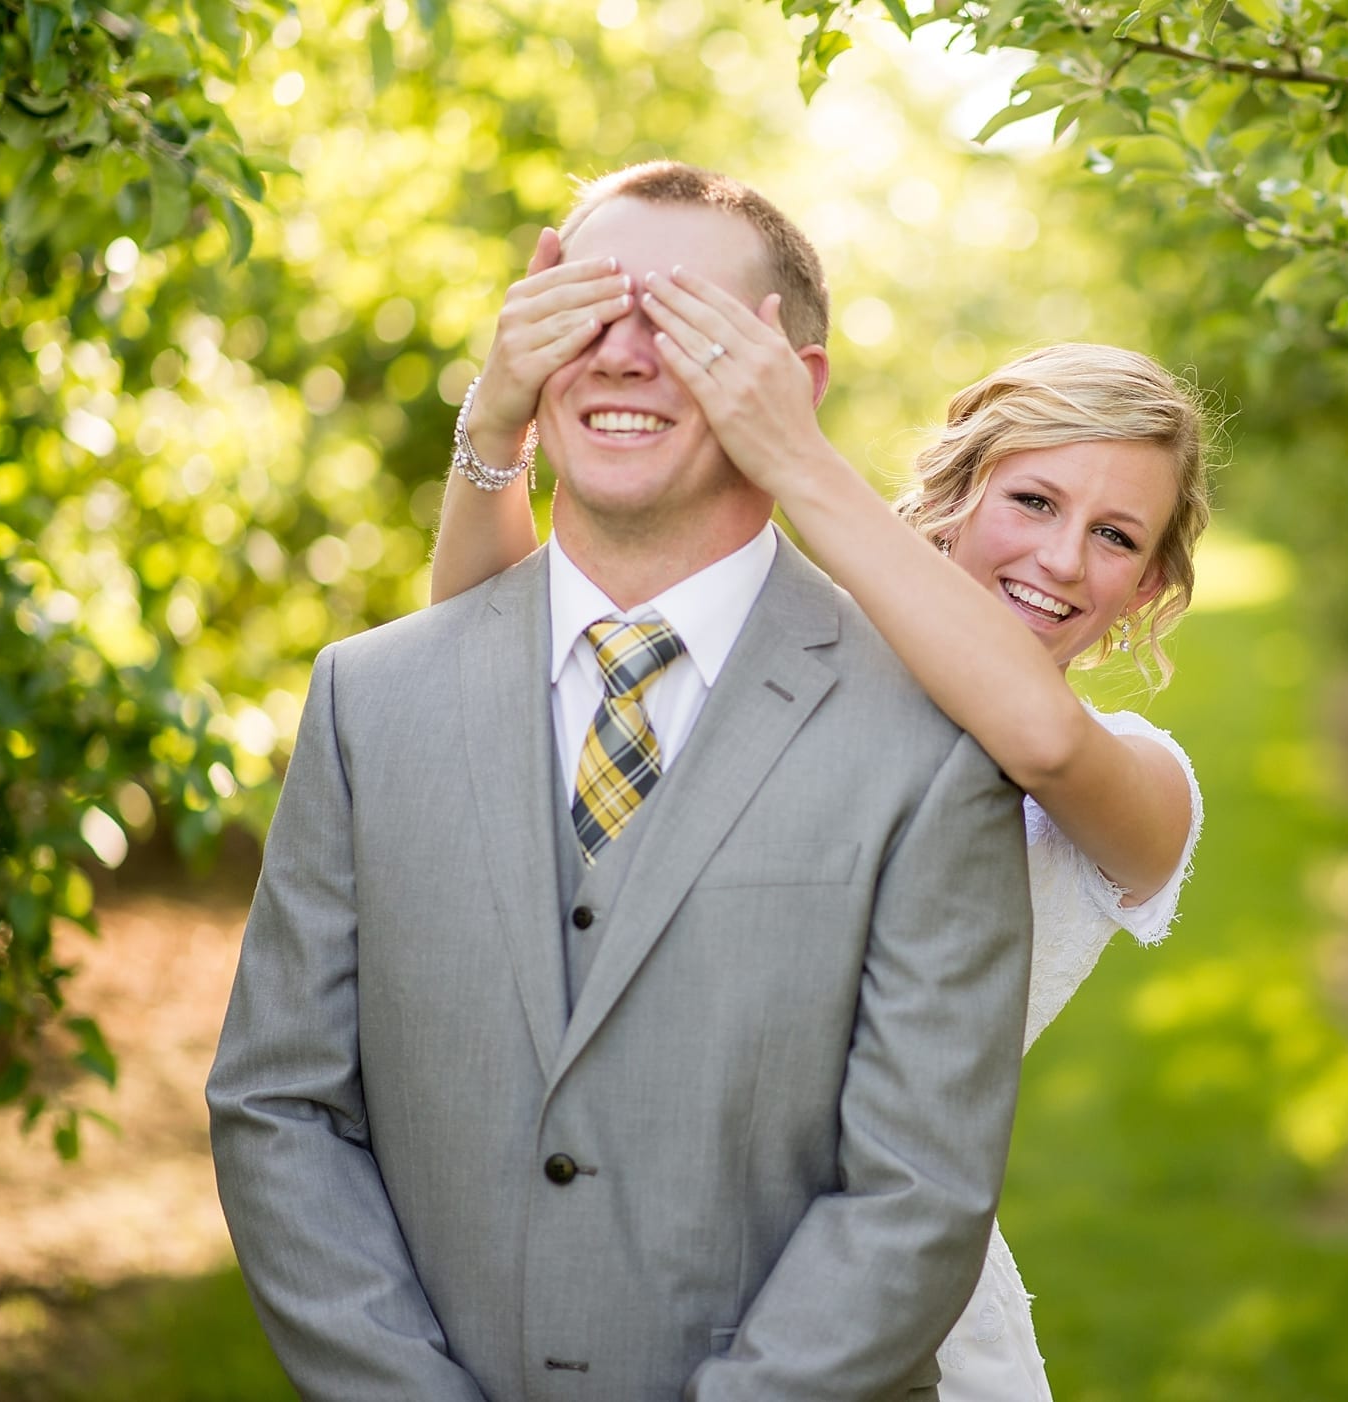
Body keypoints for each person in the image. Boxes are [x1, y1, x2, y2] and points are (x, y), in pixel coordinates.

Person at [206, 160, 1035, 1401]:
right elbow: (280, 1106)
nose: (626, 355)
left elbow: (915, 1192)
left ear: (791, 386)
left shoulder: (931, 736)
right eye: (590, 311)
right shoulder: (367, 699)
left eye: (685, 321)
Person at [428, 229, 1211, 1399]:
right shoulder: (789, 652)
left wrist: (795, 459)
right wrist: (496, 429)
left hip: (891, 1298)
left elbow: (1036, 736)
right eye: (1034, 499)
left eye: (1115, 538)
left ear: (1149, 587)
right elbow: (492, 666)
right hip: (620, 1237)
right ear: (958, 491)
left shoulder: (1138, 783)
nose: (1060, 558)